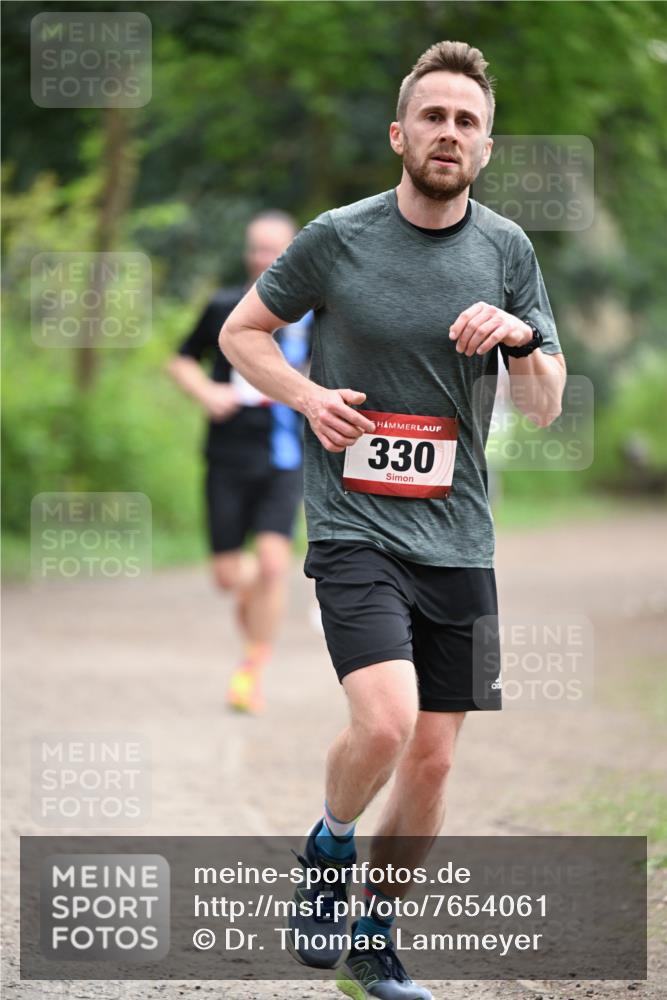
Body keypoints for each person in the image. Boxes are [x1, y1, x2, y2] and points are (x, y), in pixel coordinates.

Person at [220, 41, 566, 1000]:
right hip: (353, 527)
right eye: (432, 117)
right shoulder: (337, 237)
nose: (447, 133)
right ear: (399, 134)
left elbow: (542, 403)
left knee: (434, 758)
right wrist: (304, 395)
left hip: (460, 536)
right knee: (384, 721)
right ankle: (327, 849)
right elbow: (240, 333)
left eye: (465, 121)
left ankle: (375, 941)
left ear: (486, 146)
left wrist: (523, 338)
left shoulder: (507, 252)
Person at [168, 211, 310, 714]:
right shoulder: (225, 306)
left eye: (274, 249)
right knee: (229, 578)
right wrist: (207, 391)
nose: (263, 258)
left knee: (273, 564)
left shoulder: (315, 316)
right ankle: (257, 635)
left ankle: (252, 670)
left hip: (285, 457)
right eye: (256, 249)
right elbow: (181, 358)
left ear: (294, 251)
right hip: (227, 456)